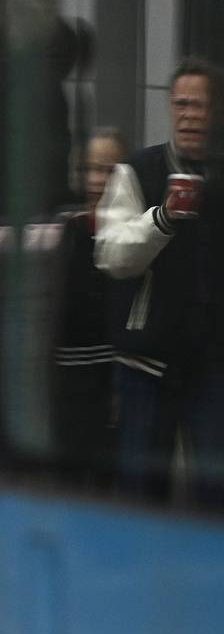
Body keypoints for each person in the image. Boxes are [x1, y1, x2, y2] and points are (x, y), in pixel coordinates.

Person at [97, 59, 223, 504]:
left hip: (210, 363)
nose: (191, 114)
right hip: (145, 364)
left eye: (201, 105)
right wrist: (163, 218)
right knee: (140, 496)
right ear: (171, 107)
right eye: (183, 104)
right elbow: (111, 254)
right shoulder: (137, 170)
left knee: (213, 493)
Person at [52, 128, 125, 485]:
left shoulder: (131, 231)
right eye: (93, 169)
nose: (99, 180)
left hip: (109, 376)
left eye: (110, 170)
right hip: (66, 377)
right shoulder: (65, 226)